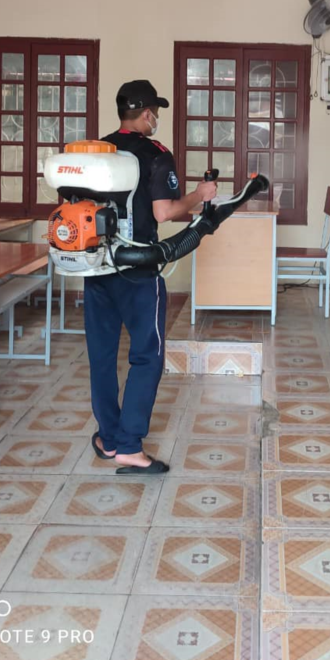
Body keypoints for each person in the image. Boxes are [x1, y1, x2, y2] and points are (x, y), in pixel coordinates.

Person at [84, 79, 217, 474]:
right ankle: (129, 447)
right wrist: (199, 195)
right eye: (155, 112)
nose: (156, 118)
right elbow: (164, 212)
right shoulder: (155, 153)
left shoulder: (99, 150)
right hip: (138, 271)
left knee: (102, 356)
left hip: (97, 266)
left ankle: (109, 438)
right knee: (147, 355)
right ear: (145, 114)